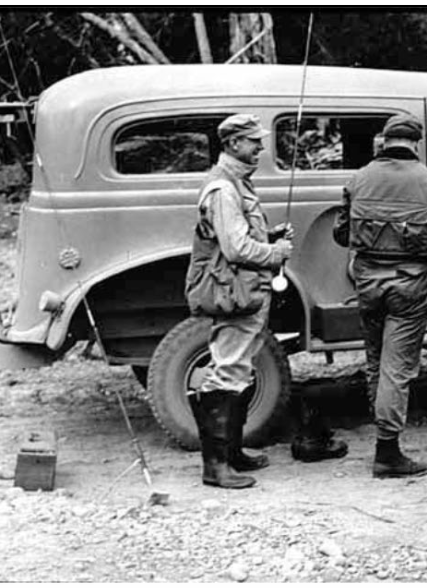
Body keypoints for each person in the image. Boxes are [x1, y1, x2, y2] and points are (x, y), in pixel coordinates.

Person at [333, 114, 427, 478]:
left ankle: (383, 440)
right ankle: (387, 453)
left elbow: (341, 235)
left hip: (367, 282)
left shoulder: (358, 179)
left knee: (376, 362)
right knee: (397, 368)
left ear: (384, 142)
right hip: (410, 283)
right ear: (416, 144)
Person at [184, 113, 293, 489]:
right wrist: (275, 251)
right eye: (254, 141)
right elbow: (235, 247)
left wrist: (270, 235)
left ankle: (231, 454)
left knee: (240, 369)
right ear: (232, 144)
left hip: (243, 290)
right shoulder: (224, 189)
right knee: (228, 369)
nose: (261, 147)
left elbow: (237, 235)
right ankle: (216, 468)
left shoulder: (234, 183)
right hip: (234, 291)